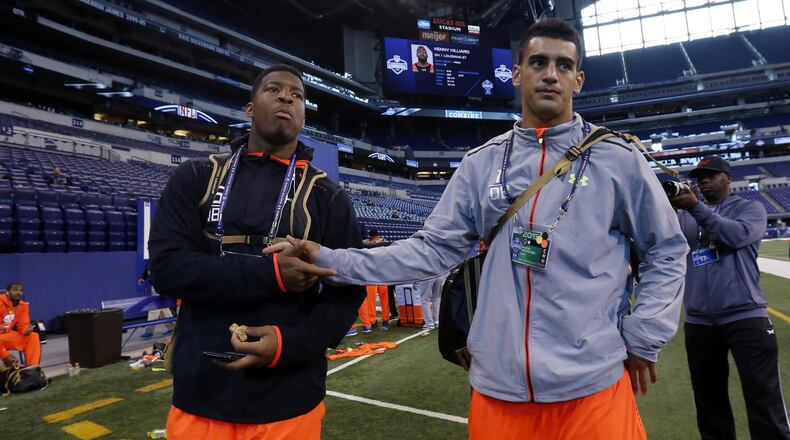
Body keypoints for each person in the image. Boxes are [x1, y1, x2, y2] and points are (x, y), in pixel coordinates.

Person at [268, 18, 688, 439]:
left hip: (593, 387)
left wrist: (643, 334)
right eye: (539, 62)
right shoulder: (480, 163)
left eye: (563, 66)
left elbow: (667, 249)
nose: (550, 74)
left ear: (578, 80)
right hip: (499, 390)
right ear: (517, 72)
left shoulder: (618, 159)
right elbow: (431, 249)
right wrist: (329, 258)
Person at [148, 64, 366, 439]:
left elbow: (346, 297)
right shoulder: (197, 176)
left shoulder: (328, 196)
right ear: (249, 108)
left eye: (297, 96)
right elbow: (166, 269)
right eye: (274, 90)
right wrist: (273, 274)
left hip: (289, 399)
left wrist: (288, 344)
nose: (287, 98)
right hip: (200, 397)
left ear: (302, 115)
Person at [672, 155, 790, 440]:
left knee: (764, 398)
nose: (705, 181)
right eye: (701, 177)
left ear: (729, 178)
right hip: (700, 322)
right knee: (709, 403)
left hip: (746, 316)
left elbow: (734, 236)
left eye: (712, 175)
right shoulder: (684, 216)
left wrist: (697, 208)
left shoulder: (750, 208)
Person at [0, 282, 41, 367]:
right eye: (15, 290)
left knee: (33, 337)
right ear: (8, 291)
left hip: (7, 335)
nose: (18, 292)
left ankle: (32, 371)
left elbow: (23, 324)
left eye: (21, 291)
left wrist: (26, 330)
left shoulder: (23, 305)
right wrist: (4, 355)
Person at [136, 263, 175, 339]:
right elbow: (148, 270)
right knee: (163, 309)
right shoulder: (151, 259)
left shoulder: (161, 259)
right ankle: (171, 328)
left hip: (160, 287)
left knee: (154, 309)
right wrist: (143, 277)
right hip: (154, 287)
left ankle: (149, 332)